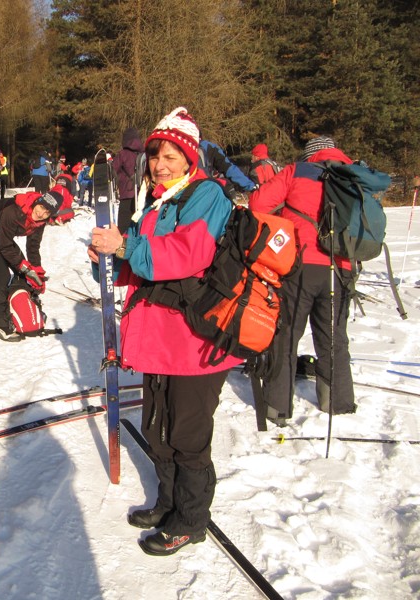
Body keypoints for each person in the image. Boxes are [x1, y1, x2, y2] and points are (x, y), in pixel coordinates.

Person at [89, 107, 239, 556]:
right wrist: (109, 257)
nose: (160, 164)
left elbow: (187, 254)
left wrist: (126, 245)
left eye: (171, 156)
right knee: (158, 429)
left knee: (187, 436)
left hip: (196, 340)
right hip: (161, 339)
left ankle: (190, 521)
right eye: (155, 155)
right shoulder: (157, 202)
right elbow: (139, 264)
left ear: (190, 159)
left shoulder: (206, 195)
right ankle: (169, 503)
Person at [247, 136, 357, 425]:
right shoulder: (353, 174)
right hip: (341, 267)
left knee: (285, 335)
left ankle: (277, 406)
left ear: (310, 156)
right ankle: (338, 402)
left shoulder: (297, 171)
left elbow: (258, 204)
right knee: (334, 337)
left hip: (301, 264)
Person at [0, 186, 66, 341]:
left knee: (23, 270)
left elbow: (33, 247)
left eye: (47, 212)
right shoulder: (14, 211)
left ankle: (25, 308)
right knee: (3, 275)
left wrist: (37, 273)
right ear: (37, 202)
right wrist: (26, 268)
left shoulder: (40, 222)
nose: (41, 213)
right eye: (41, 207)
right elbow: (6, 247)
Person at [116, 127, 145, 233]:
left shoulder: (122, 154)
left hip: (126, 192)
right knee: (138, 218)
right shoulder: (144, 154)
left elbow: (114, 169)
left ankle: (124, 239)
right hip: (141, 191)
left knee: (124, 221)